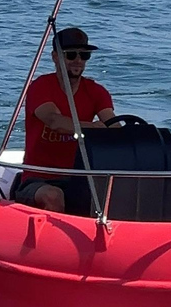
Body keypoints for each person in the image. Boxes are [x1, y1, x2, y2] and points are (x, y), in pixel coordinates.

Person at [15, 27, 117, 212]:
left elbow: (112, 124)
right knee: (53, 196)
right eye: (71, 55)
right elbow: (55, 122)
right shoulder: (41, 87)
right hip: (38, 178)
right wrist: (95, 128)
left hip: (79, 176)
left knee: (113, 194)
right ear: (55, 57)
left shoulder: (96, 91)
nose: (78, 60)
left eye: (84, 55)